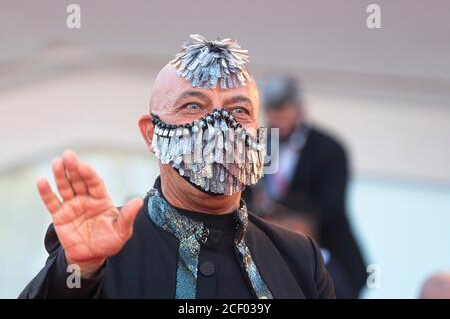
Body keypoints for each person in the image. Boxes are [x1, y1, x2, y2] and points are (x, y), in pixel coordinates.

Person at [19, 35, 335, 299]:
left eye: (239, 110)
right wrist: (80, 268)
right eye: (193, 106)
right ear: (151, 133)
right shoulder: (104, 245)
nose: (220, 126)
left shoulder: (297, 257)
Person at [244, 75, 366, 298]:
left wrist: (289, 216)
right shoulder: (256, 144)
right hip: (266, 243)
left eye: (284, 109)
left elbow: (332, 203)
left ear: (299, 109)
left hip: (323, 243)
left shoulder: (329, 148)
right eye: (273, 110)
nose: (278, 117)